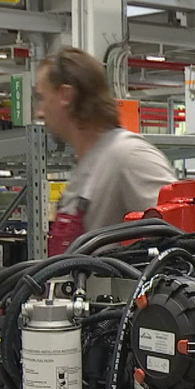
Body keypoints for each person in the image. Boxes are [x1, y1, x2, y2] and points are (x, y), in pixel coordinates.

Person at [35, 47, 176, 255]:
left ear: (65, 95)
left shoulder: (130, 156)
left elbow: (180, 242)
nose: (39, 112)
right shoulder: (87, 162)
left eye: (42, 98)